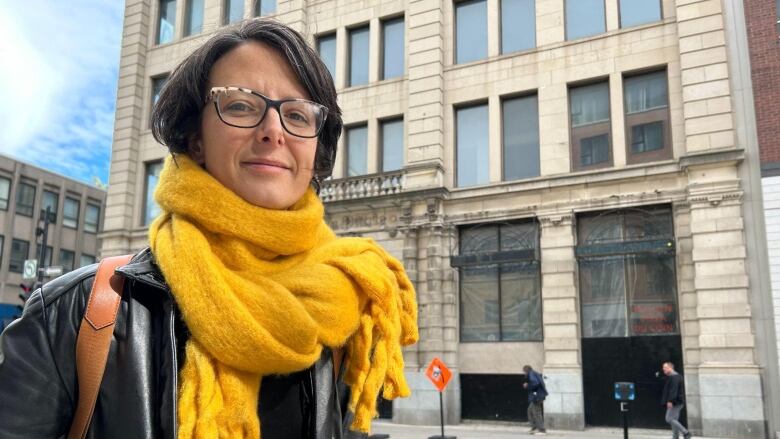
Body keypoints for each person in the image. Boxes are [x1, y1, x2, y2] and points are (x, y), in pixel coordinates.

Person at [0, 18, 418, 439]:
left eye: (297, 114)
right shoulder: (75, 315)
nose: (273, 131)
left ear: (315, 146)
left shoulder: (348, 308)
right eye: (240, 105)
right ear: (194, 137)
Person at [660, 361, 692, 439]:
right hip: (677, 402)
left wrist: (670, 401)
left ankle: (686, 432)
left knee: (669, 419)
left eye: (665, 367)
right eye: (663, 367)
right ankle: (675, 437)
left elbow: (673, 391)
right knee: (674, 420)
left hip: (675, 402)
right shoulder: (675, 376)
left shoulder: (674, 378)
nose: (663, 369)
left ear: (670, 368)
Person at [523, 365, 548, 436]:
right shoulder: (534, 373)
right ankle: (534, 427)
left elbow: (536, 383)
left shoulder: (531, 374)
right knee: (530, 410)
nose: (524, 374)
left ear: (526, 370)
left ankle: (542, 430)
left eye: (524, 372)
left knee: (536, 412)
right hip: (539, 396)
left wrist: (527, 385)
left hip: (537, 397)